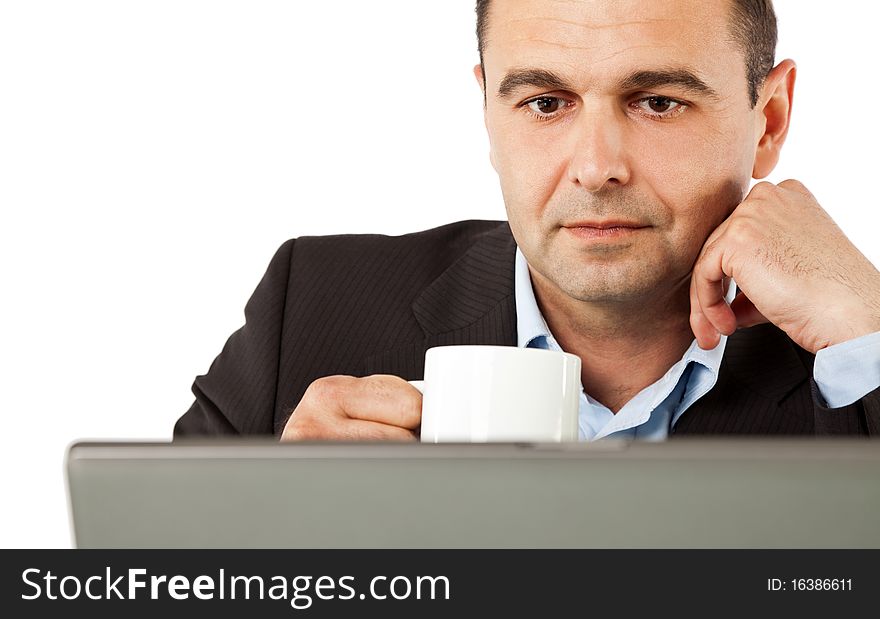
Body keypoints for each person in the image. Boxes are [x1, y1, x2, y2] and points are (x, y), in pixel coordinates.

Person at [175, 0, 880, 441]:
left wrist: (872, 329)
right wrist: (279, 538)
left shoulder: (854, 356)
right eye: (546, 102)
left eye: (658, 101)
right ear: (488, 111)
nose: (598, 167)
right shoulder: (310, 308)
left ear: (771, 119)